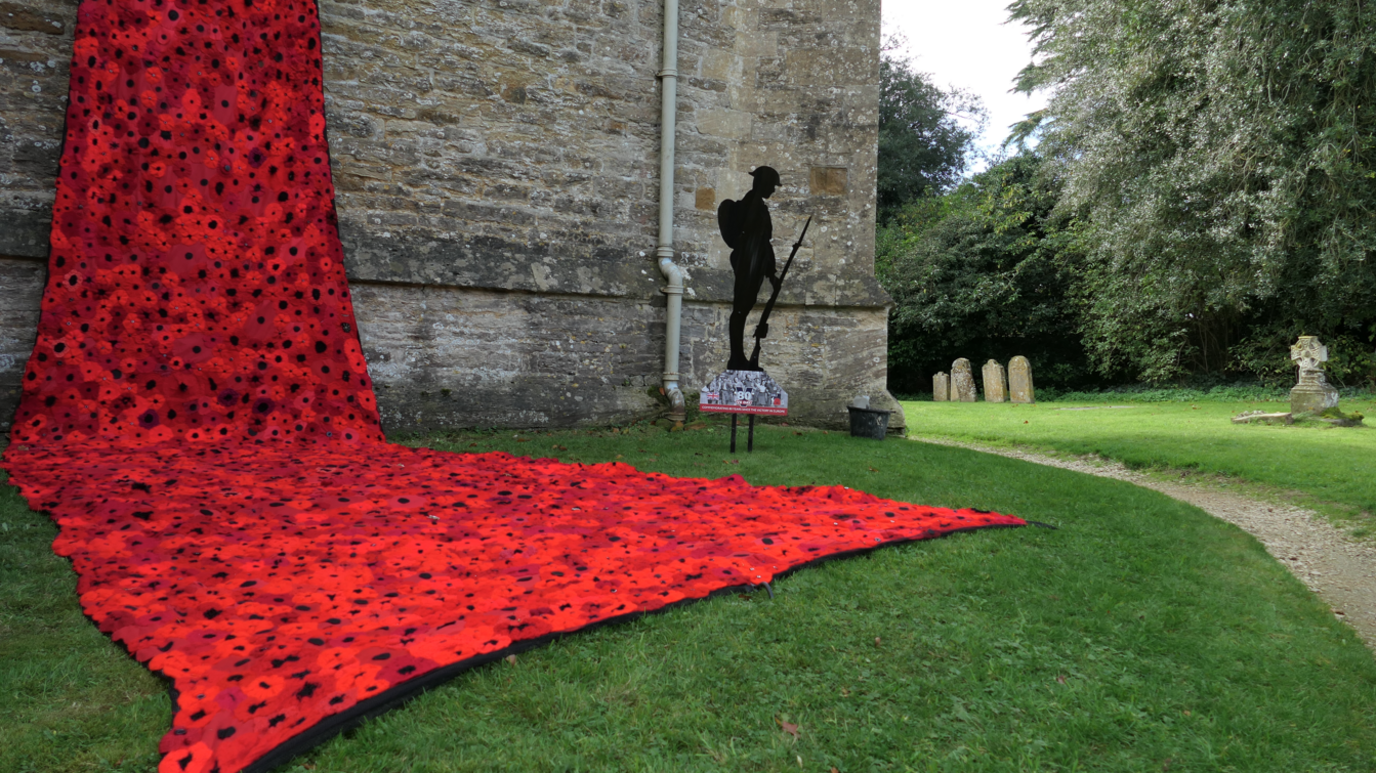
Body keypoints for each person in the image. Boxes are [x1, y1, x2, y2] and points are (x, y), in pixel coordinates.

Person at [718, 166, 781, 371]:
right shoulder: (751, 206)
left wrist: (771, 275)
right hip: (749, 263)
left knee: (742, 310)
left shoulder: (759, 207)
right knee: (740, 311)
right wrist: (769, 273)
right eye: (771, 185)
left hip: (756, 263)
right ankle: (736, 358)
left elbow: (765, 243)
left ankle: (738, 358)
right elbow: (757, 241)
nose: (773, 190)